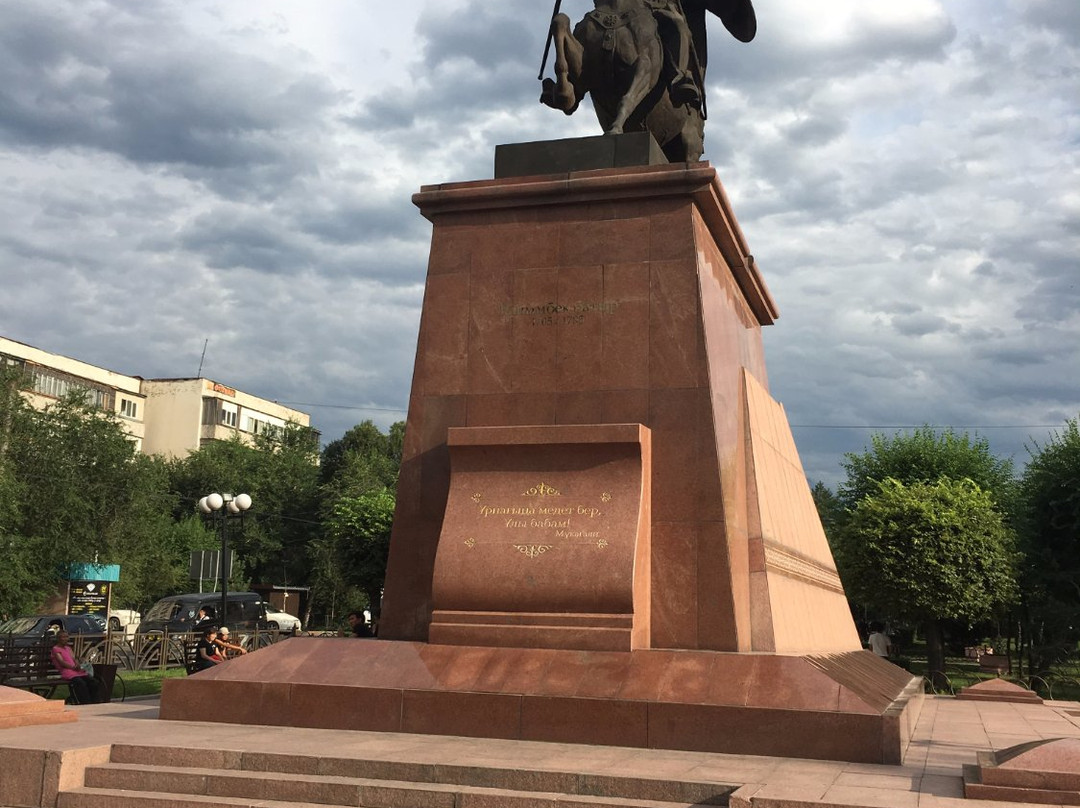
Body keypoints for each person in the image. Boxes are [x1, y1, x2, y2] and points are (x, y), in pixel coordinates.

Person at [50, 631, 105, 704]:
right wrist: (73, 667)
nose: (65, 639)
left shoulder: (68, 648)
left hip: (77, 671)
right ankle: (85, 702)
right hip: (68, 672)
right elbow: (61, 662)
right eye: (63, 637)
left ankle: (95, 701)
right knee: (80, 683)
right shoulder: (55, 649)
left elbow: (74, 658)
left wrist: (78, 665)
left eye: (66, 637)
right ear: (58, 638)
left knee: (93, 681)